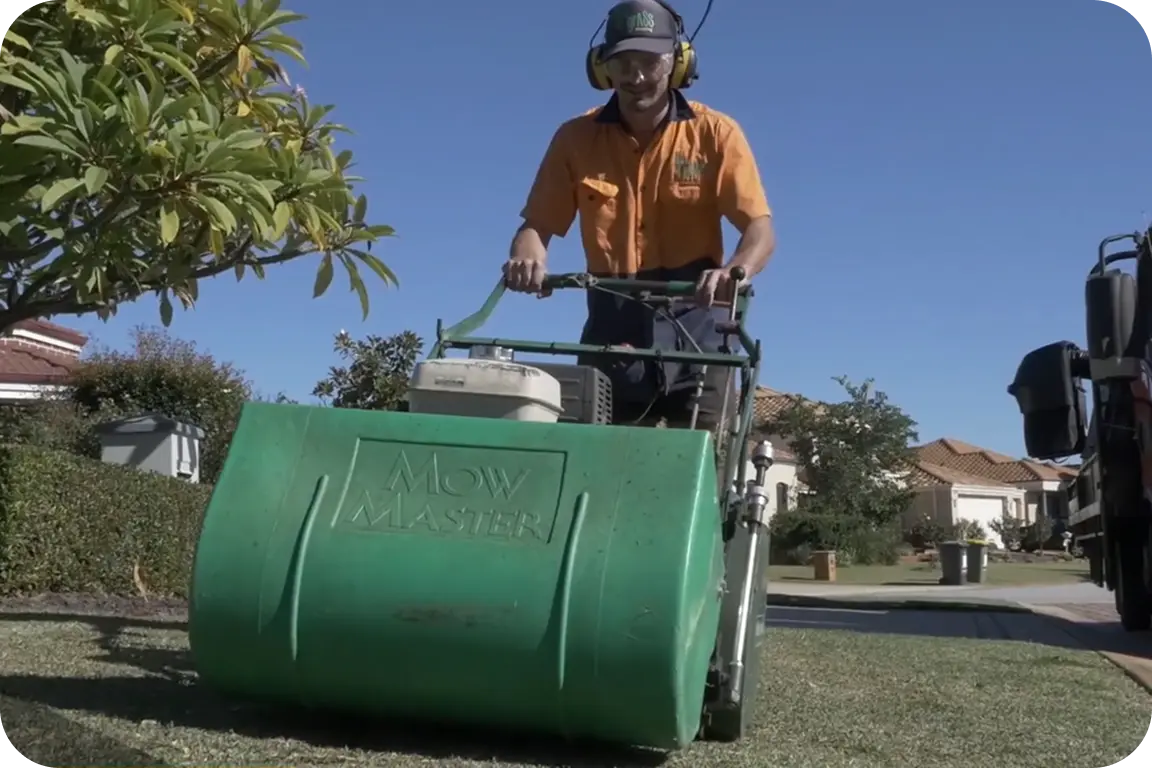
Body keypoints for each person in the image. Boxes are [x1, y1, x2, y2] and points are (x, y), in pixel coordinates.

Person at [502, 0, 776, 433]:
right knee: (601, 468)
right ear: (602, 68)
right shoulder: (575, 139)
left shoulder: (716, 134)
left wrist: (735, 271)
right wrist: (528, 257)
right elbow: (536, 226)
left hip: (699, 327)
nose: (637, 76)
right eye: (623, 62)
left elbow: (759, 229)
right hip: (612, 326)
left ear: (679, 61)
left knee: (701, 470)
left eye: (650, 61)